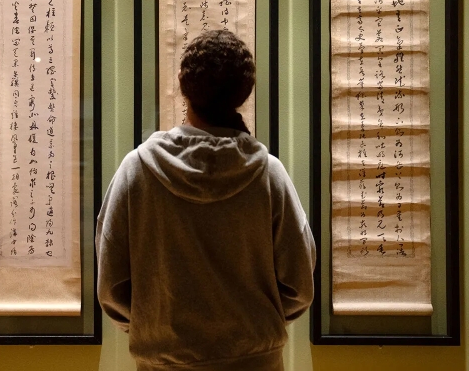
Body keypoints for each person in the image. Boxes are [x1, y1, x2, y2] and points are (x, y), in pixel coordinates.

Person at [96, 29, 316, 371]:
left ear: (183, 84)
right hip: (256, 362)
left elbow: (111, 285)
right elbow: (299, 285)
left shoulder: (137, 170)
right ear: (244, 92)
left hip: (162, 364)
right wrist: (254, 328)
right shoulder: (268, 174)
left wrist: (154, 328)